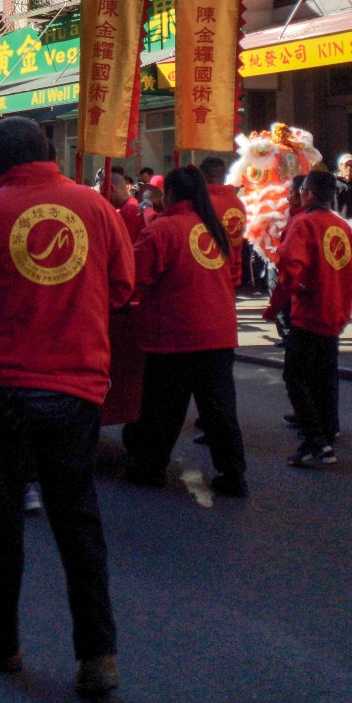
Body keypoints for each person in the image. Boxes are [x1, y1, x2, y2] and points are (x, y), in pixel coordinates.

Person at [0, 116, 131, 696]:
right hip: (77, 385)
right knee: (78, 520)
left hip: (2, 385)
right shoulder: (96, 207)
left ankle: (2, 638)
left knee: (0, 515)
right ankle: (98, 656)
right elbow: (121, 287)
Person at [123, 166, 247, 497]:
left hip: (175, 334)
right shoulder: (214, 228)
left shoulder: (163, 229)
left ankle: (150, 468)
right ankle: (233, 474)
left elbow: (133, 275)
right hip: (218, 333)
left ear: (171, 194)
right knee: (220, 410)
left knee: (162, 410)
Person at [266, 169, 352, 468]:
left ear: (309, 193)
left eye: (302, 190)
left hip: (309, 314)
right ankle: (323, 437)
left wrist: (277, 306)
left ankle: (316, 440)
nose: (299, 194)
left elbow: (288, 268)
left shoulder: (303, 223)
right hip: (334, 313)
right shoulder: (339, 225)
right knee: (324, 380)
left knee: (295, 377)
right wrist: (338, 279)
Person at [333, 154, 352, 220]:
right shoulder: (333, 183)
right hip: (338, 219)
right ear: (340, 166)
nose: (349, 168)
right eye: (346, 165)